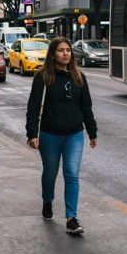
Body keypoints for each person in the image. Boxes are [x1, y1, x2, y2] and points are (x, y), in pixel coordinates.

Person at [26, 36, 98, 235]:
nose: (66, 53)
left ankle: (71, 218)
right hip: (50, 134)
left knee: (71, 174)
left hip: (74, 134)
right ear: (52, 54)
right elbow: (33, 107)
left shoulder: (78, 76)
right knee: (50, 173)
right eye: (61, 50)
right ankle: (47, 200)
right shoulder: (43, 77)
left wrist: (92, 131)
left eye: (68, 50)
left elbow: (86, 106)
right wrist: (32, 133)